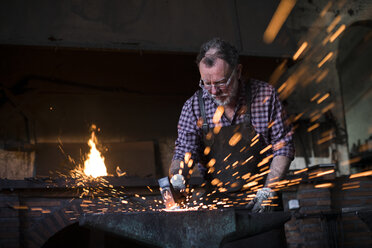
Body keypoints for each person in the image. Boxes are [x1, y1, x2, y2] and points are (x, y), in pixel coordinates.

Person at [169, 38, 294, 212]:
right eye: (206, 83)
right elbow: (184, 152)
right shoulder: (193, 107)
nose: (213, 91)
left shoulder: (265, 96)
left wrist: (269, 190)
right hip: (217, 206)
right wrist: (178, 175)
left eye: (221, 82)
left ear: (238, 71)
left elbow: (284, 147)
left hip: (262, 201)